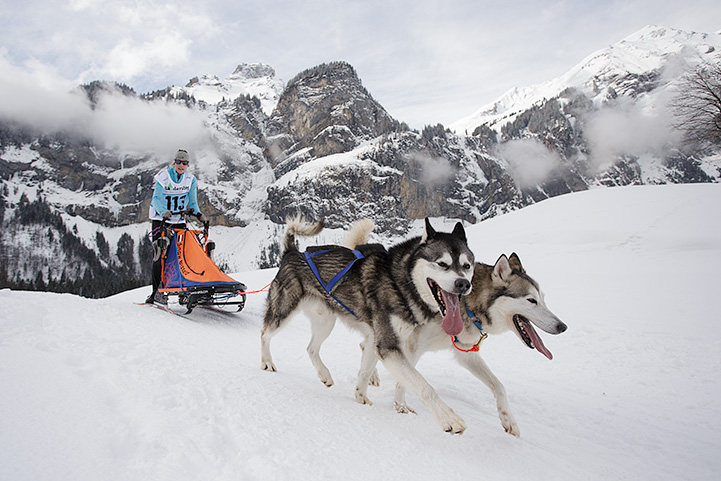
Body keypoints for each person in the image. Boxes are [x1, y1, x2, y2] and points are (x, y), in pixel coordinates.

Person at [145, 149, 203, 304]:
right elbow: (156, 198)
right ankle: (156, 292)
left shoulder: (190, 179)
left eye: (184, 163)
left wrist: (198, 214)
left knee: (183, 255)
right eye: (178, 162)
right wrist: (163, 212)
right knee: (160, 254)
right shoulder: (163, 176)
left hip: (179, 219)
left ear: (188, 165)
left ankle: (184, 289)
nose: (181, 165)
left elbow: (192, 201)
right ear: (174, 162)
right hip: (161, 219)